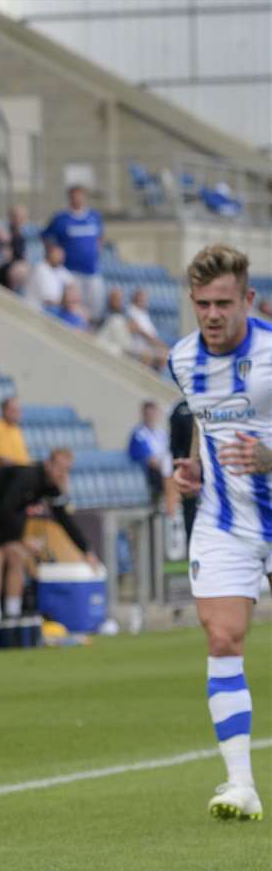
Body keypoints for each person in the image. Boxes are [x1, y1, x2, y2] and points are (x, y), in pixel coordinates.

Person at [167, 245, 269, 823]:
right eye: (203, 303)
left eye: (224, 303)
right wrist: (194, 467)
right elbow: (205, 424)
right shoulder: (182, 359)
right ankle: (240, 783)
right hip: (226, 521)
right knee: (223, 636)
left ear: (248, 300)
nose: (212, 314)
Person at [0, 448, 94, 623]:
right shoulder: (28, 477)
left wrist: (86, 550)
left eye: (67, 470)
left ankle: (12, 613)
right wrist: (21, 540)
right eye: (60, 468)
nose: (63, 474)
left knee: (17, 556)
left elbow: (64, 519)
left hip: (5, 512)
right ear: (48, 464)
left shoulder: (52, 487)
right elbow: (6, 507)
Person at [42, 184, 104, 315]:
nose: (78, 199)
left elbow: (100, 237)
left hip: (91, 270)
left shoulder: (94, 216)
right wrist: (53, 251)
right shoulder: (61, 219)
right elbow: (46, 236)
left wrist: (97, 249)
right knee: (75, 306)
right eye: (74, 196)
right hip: (71, 271)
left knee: (96, 306)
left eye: (80, 196)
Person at [127, 399, 172, 504]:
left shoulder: (162, 433)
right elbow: (150, 460)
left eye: (154, 413)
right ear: (143, 414)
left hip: (166, 469)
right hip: (151, 473)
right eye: (148, 413)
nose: (151, 416)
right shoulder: (139, 434)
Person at [24, 241, 72, 311]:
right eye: (57, 254)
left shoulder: (60, 269)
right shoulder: (41, 268)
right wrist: (66, 302)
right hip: (37, 309)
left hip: (54, 308)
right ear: (50, 254)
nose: (60, 257)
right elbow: (49, 300)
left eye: (62, 255)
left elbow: (72, 285)